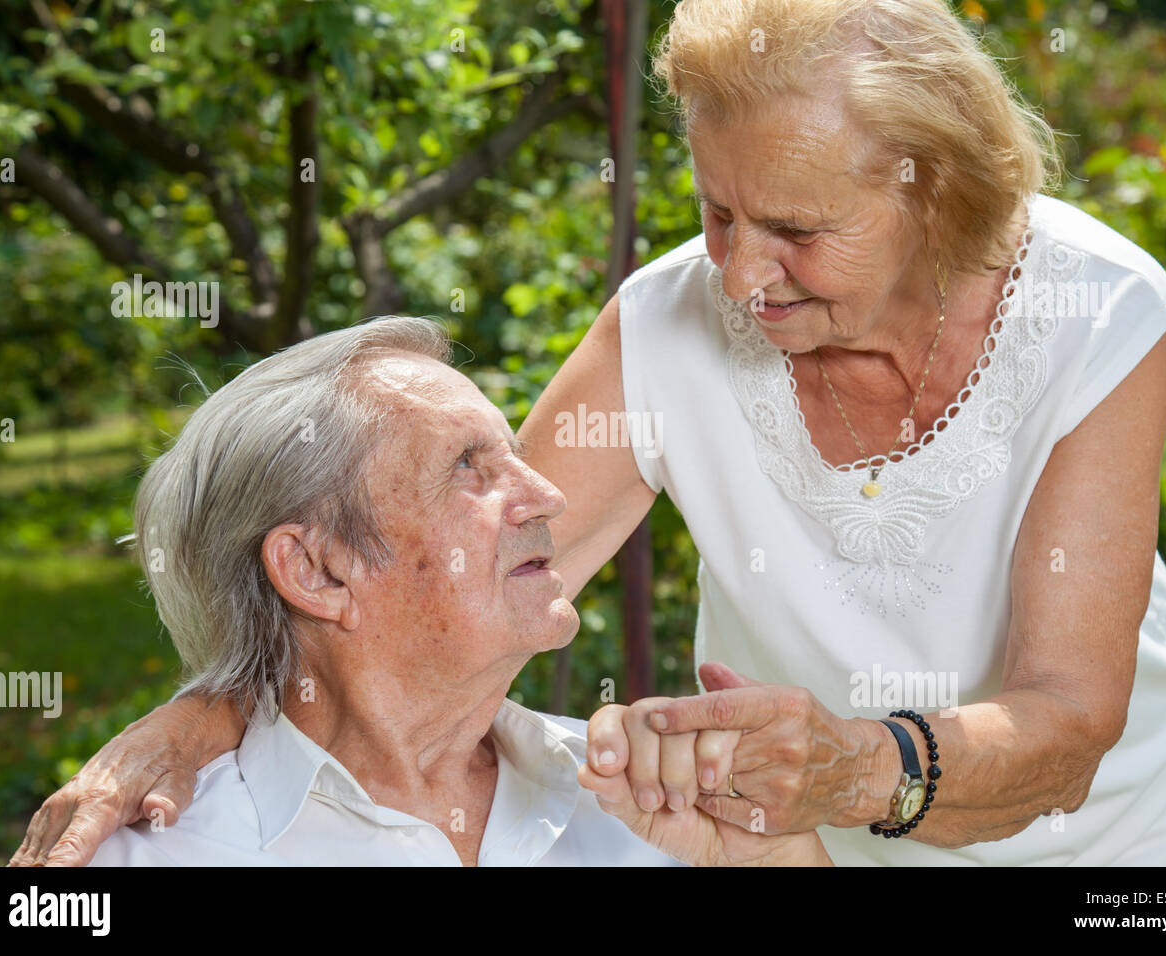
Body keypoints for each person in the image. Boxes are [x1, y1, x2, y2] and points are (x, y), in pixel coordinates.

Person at [13, 0, 1166, 866]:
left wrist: (849, 768)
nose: (743, 275)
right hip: (790, 845)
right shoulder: (668, 324)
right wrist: (203, 709)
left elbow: (1069, 721)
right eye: (714, 209)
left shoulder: (1093, 303)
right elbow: (438, 584)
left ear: (934, 192)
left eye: (796, 231)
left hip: (1108, 846)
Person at [82, 317, 830, 867]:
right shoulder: (154, 855)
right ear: (317, 571)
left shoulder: (643, 804)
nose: (547, 497)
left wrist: (785, 863)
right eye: (469, 468)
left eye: (513, 455)